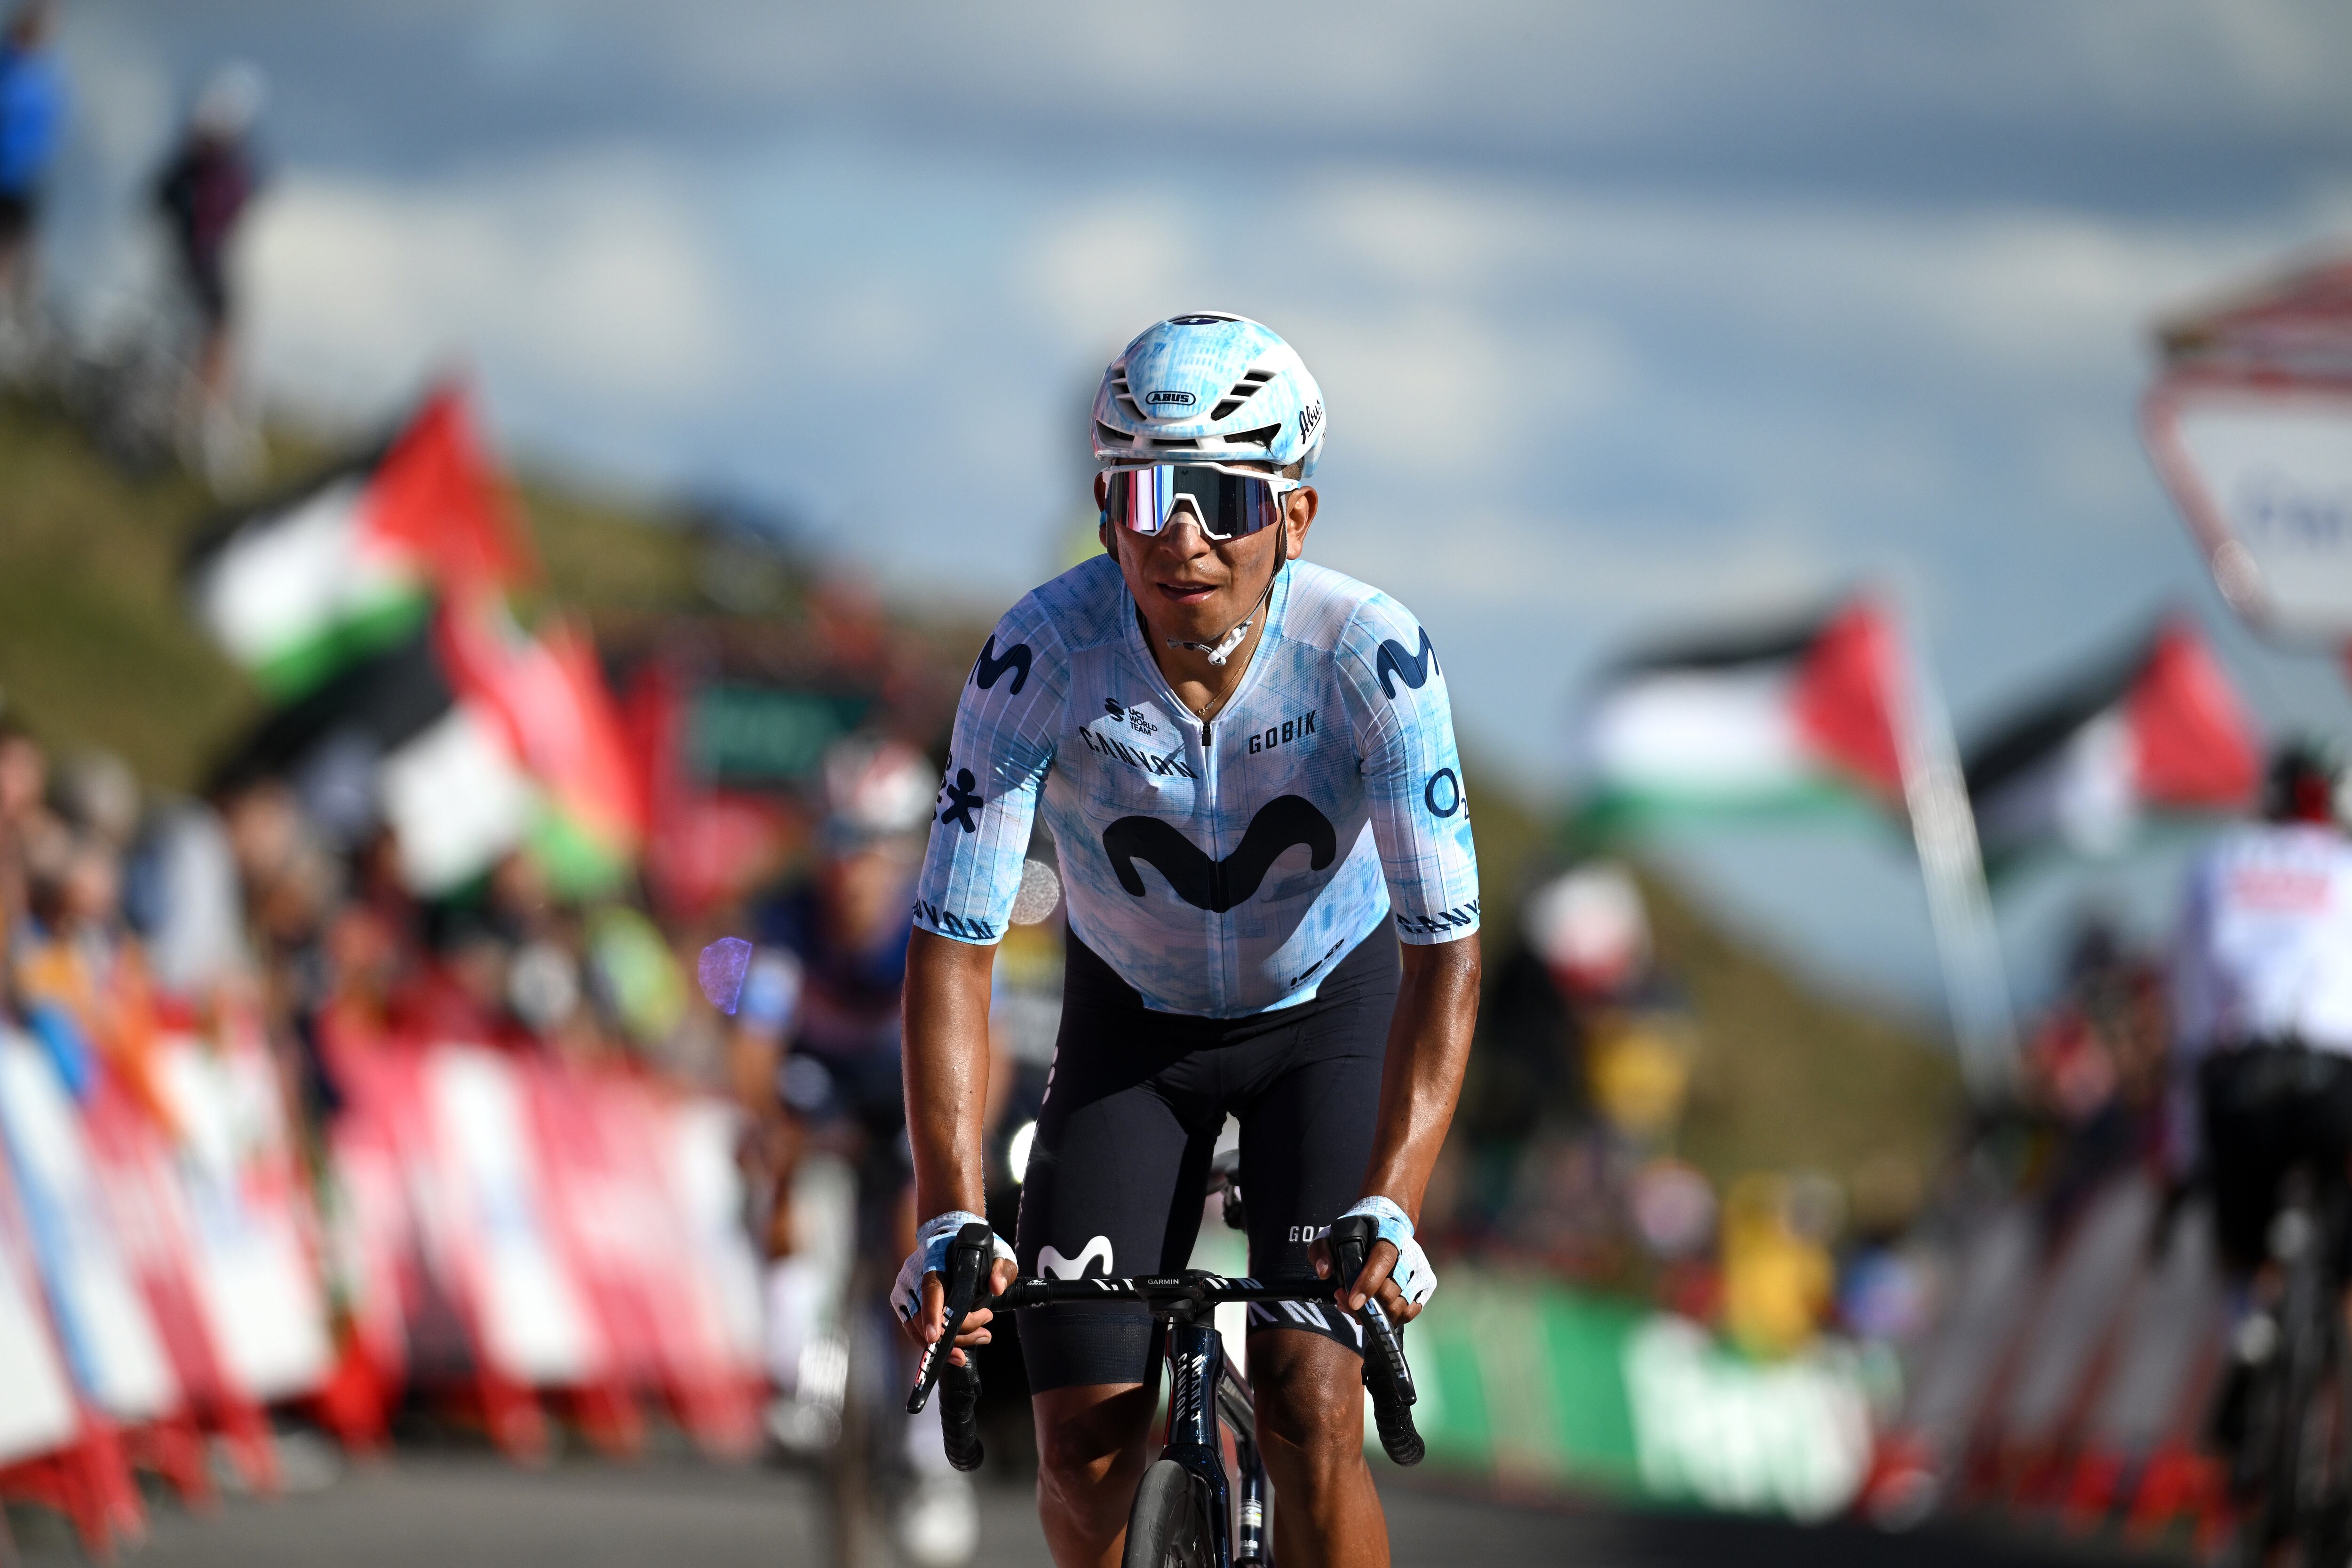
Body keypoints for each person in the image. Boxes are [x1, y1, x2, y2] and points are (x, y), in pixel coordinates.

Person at [894, 313, 1482, 1568]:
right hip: (1133, 1028)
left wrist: (1397, 1194)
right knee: (1081, 1452)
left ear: (1297, 517)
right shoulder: (1039, 655)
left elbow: (1446, 947)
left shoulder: (1371, 656)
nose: (1183, 534)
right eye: (1148, 493)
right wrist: (950, 1211)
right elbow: (954, 944)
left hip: (1331, 1012)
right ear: (1108, 507)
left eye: (1223, 496)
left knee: (1309, 1402)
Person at [154, 63, 262, 481]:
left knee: (213, 336)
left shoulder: (215, 166)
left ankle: (203, 414)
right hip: (200, 261)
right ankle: (200, 416)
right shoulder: (208, 166)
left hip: (203, 260)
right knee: (207, 337)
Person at [0, 0, 64, 366]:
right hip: (5, 179)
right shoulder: (9, 67)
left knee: (23, 261)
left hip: (26, 183)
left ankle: (14, 332)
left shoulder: (47, 74)